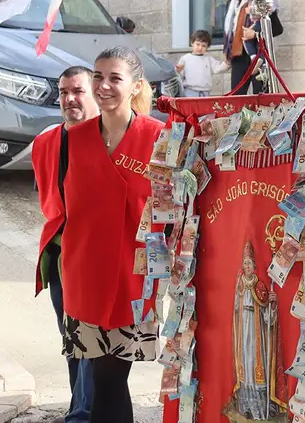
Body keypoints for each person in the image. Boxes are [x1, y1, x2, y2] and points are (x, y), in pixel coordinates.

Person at [60, 47, 164, 423]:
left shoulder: (159, 137)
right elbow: (58, 207)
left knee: (110, 379)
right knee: (108, 382)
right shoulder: (73, 138)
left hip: (132, 278)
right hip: (84, 273)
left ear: (135, 86)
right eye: (98, 76)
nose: (103, 86)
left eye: (114, 78)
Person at [32, 66, 100, 423]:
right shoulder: (45, 141)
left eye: (77, 90)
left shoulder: (108, 138)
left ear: (94, 94)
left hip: (95, 254)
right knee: (72, 337)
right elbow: (47, 199)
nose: (70, 98)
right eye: (63, 92)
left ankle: (83, 414)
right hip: (59, 254)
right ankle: (80, 406)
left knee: (88, 336)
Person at [223, 0, 282, 95]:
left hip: (258, 54)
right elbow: (230, 31)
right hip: (238, 55)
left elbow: (278, 29)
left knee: (260, 97)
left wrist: (255, 34)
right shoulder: (232, 2)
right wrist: (226, 51)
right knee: (236, 98)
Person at [175, 29, 230, 97]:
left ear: (207, 47)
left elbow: (218, 68)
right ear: (192, 43)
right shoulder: (185, 58)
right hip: (189, 92)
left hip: (205, 93)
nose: (200, 48)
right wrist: (178, 71)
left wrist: (228, 63)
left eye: (203, 46)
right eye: (197, 44)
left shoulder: (209, 59)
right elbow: (179, 77)